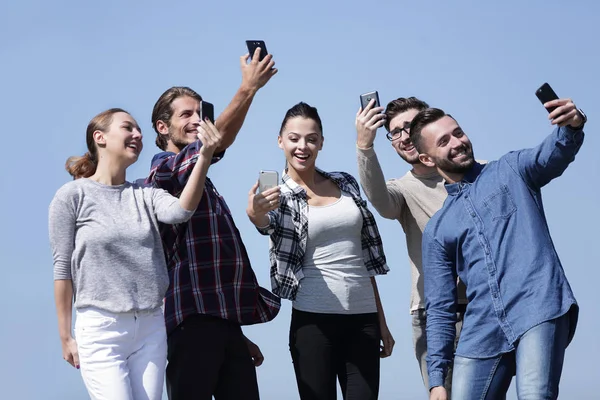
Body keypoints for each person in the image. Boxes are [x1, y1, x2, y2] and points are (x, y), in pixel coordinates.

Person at [409, 97, 586, 400]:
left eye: (458, 132)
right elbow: (439, 306)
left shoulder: (512, 169)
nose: (458, 142)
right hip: (480, 333)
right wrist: (437, 380)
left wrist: (572, 124)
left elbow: (553, 153)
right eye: (444, 141)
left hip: (537, 306)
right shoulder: (438, 229)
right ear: (427, 159)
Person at [49, 108, 221, 400]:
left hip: (151, 327)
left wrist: (204, 157)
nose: (138, 135)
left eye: (139, 130)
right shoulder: (72, 196)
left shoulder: (145, 193)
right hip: (102, 328)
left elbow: (181, 211)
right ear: (99, 137)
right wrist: (66, 336)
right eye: (128, 128)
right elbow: (62, 267)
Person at [145, 47, 281, 400]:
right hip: (191, 323)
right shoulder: (163, 170)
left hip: (222, 321)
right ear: (163, 128)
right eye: (185, 114)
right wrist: (247, 89)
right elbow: (215, 143)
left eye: (199, 112)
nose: (196, 120)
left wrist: (234, 335)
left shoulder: (203, 180)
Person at [247, 102, 394, 400]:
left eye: (311, 138)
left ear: (321, 142)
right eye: (294, 138)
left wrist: (381, 320)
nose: (303, 146)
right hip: (313, 322)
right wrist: (255, 213)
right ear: (280, 141)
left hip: (363, 318)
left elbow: (362, 258)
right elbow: (265, 222)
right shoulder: (277, 195)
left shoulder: (345, 182)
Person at [355, 97, 467, 397]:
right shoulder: (402, 189)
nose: (404, 136)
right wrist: (365, 147)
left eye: (411, 126)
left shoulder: (475, 173)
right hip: (433, 311)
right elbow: (380, 201)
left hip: (484, 304)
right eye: (395, 132)